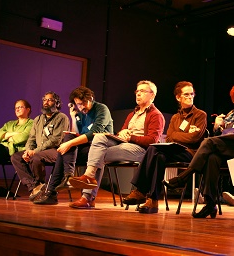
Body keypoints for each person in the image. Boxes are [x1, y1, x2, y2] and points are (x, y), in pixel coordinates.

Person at [163, 81, 234, 218]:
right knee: (212, 157)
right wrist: (217, 128)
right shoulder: (232, 116)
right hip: (229, 151)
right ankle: (210, 203)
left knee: (208, 143)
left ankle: (184, 177)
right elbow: (221, 140)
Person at [68, 80, 165, 209]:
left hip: (141, 151)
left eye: (142, 91)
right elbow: (121, 132)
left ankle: (87, 196)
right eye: (137, 91)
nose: (138, 94)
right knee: (99, 137)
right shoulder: (132, 114)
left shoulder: (156, 115)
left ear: (152, 95)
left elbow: (152, 141)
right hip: (125, 145)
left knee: (98, 154)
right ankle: (89, 180)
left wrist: (131, 137)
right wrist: (122, 133)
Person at [122, 81, 207, 213]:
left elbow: (194, 138)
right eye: (186, 94)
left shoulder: (200, 115)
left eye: (192, 94)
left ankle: (140, 190)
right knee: (158, 155)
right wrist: (182, 135)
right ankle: (153, 201)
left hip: (191, 153)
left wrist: (177, 135)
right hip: (175, 149)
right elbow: (169, 138)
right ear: (178, 97)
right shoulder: (175, 117)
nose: (190, 97)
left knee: (153, 149)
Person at [33, 86, 114, 205]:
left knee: (68, 146)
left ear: (90, 98)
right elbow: (76, 134)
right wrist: (73, 117)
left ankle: (54, 192)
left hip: (102, 146)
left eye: (82, 104)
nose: (81, 107)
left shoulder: (101, 109)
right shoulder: (81, 113)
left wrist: (69, 143)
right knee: (65, 146)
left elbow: (95, 132)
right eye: (78, 104)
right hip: (87, 146)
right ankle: (67, 177)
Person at [11, 92, 69, 200]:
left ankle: (40, 184)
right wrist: (28, 151)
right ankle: (35, 187)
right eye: (44, 100)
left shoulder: (62, 118)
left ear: (57, 103)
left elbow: (55, 140)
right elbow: (31, 138)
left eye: (50, 100)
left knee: (36, 157)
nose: (46, 102)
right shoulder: (38, 119)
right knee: (16, 157)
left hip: (55, 151)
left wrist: (35, 151)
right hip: (38, 151)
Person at [0, 100, 33, 199]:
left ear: (28, 109)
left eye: (20, 107)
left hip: (16, 153)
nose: (17, 109)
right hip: (4, 150)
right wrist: (13, 134)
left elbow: (23, 138)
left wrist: (7, 136)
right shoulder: (9, 124)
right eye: (16, 108)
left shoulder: (32, 123)